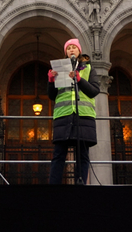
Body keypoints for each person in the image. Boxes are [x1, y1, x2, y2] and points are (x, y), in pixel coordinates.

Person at [47, 38, 100, 184]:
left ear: (79, 51)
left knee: (82, 155)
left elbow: (94, 90)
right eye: (68, 48)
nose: (71, 49)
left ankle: (80, 185)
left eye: (74, 47)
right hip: (63, 116)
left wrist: (80, 80)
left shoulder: (88, 69)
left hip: (83, 116)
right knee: (59, 154)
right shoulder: (59, 68)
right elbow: (52, 96)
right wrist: (51, 81)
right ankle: (54, 186)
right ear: (65, 52)